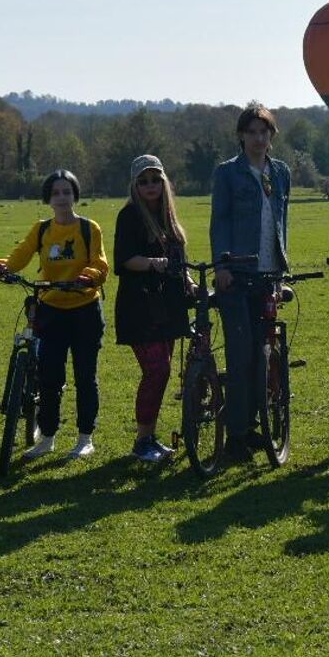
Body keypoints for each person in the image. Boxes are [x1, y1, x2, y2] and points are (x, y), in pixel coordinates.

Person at [0, 169, 108, 460]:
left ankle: (84, 438)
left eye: (67, 191)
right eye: (56, 193)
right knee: (49, 377)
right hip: (51, 310)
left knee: (85, 376)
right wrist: (3, 267)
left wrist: (88, 276)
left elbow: (100, 262)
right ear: (48, 198)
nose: (62, 197)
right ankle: (48, 437)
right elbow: (22, 254)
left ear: (74, 195)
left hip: (85, 311)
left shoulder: (88, 228)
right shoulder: (42, 230)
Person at [209, 102, 291, 461]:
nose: (259, 138)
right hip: (237, 275)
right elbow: (219, 222)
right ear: (241, 136)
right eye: (252, 132)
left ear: (272, 136)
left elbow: (281, 220)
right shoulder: (227, 173)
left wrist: (282, 270)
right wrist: (222, 265)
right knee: (240, 357)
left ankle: (256, 426)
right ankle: (236, 436)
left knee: (264, 357)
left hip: (269, 275)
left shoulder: (281, 172)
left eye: (265, 132)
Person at [113, 155, 191, 464]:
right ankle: (143, 440)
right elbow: (123, 259)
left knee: (163, 371)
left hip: (169, 305)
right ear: (135, 185)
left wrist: (187, 280)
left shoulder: (168, 217)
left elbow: (178, 259)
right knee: (156, 369)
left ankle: (150, 436)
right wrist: (152, 264)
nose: (150, 186)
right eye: (143, 181)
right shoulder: (130, 215)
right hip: (140, 305)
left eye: (155, 180)